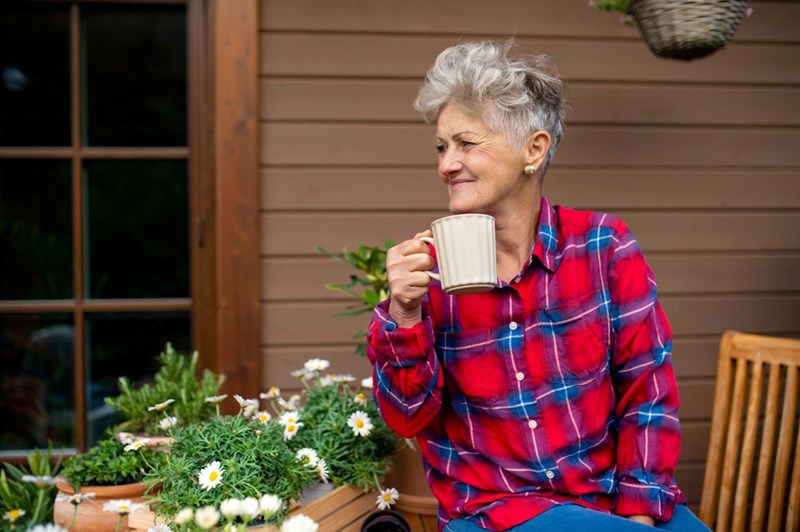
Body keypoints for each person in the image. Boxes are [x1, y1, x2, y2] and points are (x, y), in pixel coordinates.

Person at [365, 41, 710, 532]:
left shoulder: (603, 247)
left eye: (466, 142)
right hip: (494, 513)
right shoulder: (427, 274)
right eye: (442, 147)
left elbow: (647, 390)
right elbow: (406, 420)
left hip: (608, 498)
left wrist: (638, 516)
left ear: (534, 149)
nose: (446, 164)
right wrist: (403, 313)